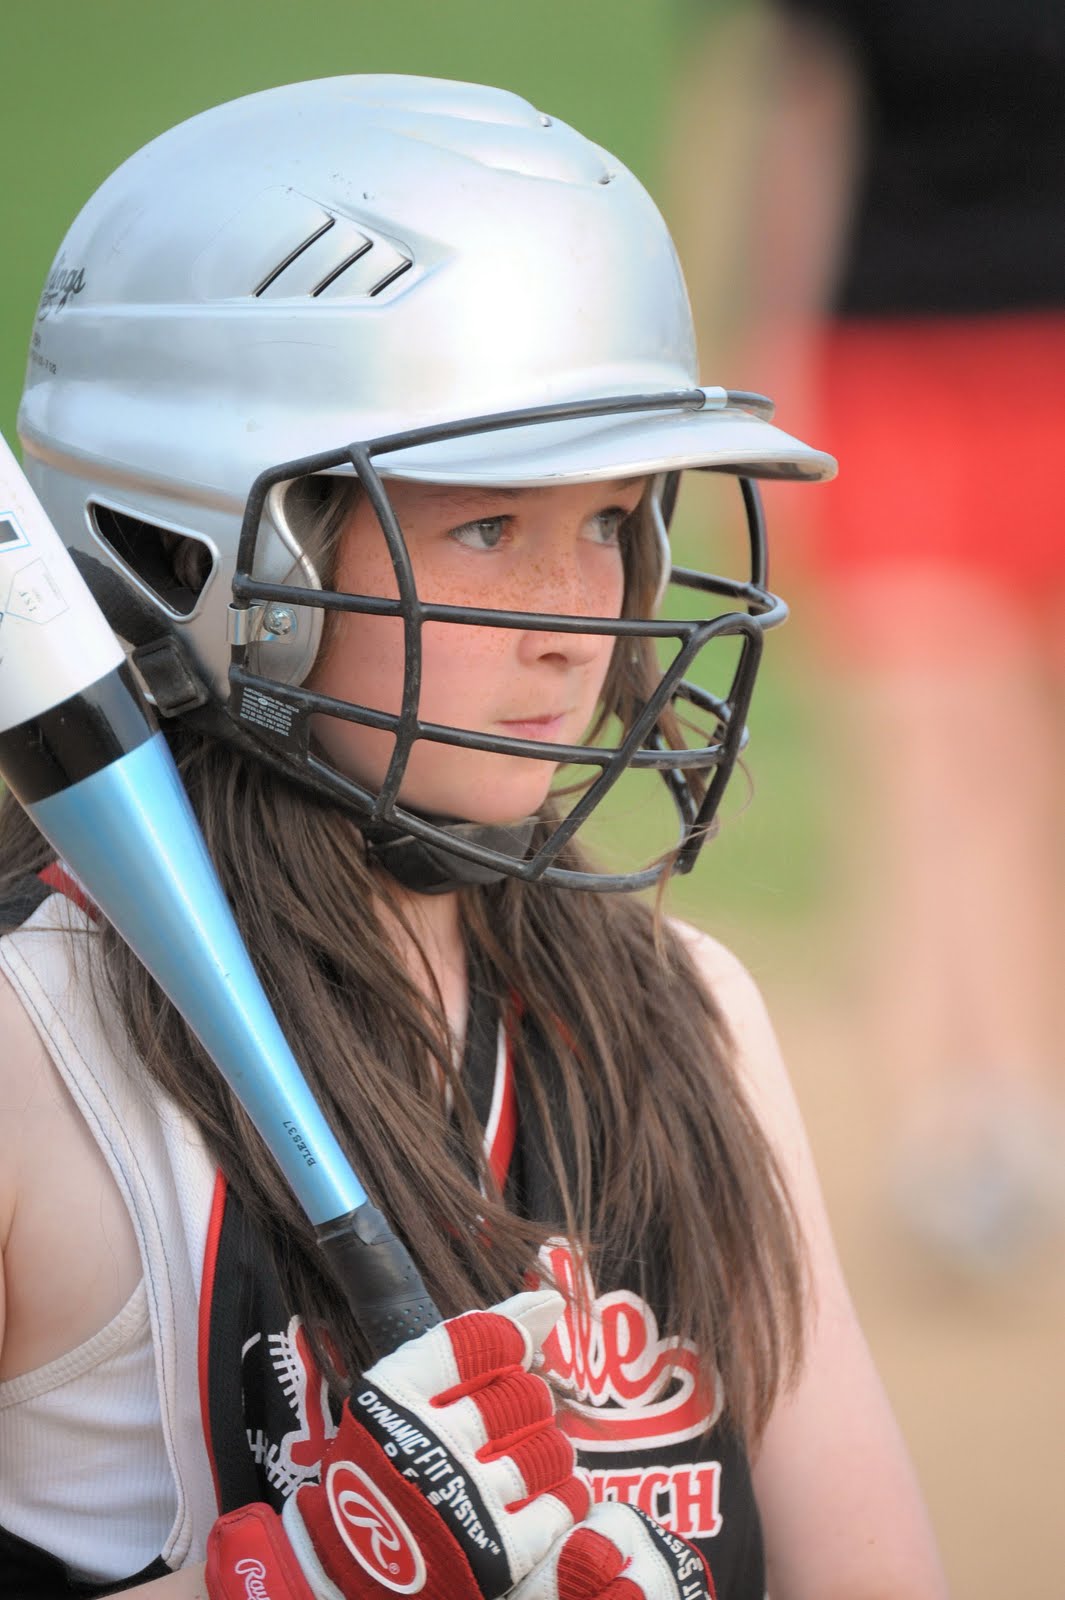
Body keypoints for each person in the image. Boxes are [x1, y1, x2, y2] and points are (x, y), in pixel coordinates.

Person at [0, 76, 947, 1599]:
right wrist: (276, 1584)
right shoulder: (37, 1044)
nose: (580, 621)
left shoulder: (684, 1014)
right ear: (208, 551)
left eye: (612, 520)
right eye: (489, 527)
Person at [668, 0, 1065, 1270]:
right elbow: (789, 114)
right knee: (930, 750)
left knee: (1024, 766)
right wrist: (759, 371)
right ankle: (953, 1130)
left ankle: (1025, 1091)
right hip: (891, 365)